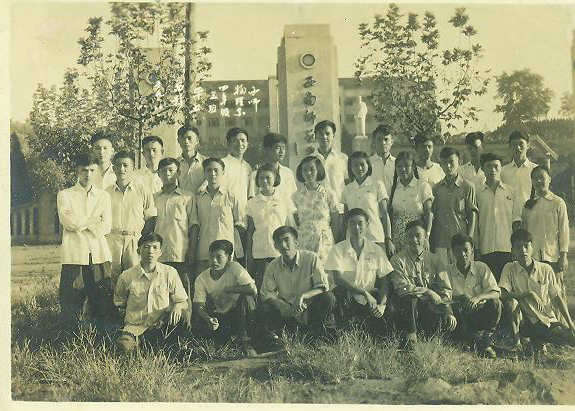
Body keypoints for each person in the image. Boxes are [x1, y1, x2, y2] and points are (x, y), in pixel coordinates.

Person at [57, 153, 113, 332]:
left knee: (101, 296)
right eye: (84, 170)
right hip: (75, 253)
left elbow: (106, 226)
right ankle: (71, 336)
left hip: (98, 253)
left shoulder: (103, 196)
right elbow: (68, 222)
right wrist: (93, 220)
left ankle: (100, 336)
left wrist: (83, 223)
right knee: (71, 297)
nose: (88, 174)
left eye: (91, 170)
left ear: (97, 171)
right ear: (77, 171)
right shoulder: (65, 195)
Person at [499, 229, 575, 354]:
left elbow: (557, 298)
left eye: (526, 246)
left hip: (546, 320)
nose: (523, 250)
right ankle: (517, 343)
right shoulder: (509, 268)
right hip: (525, 323)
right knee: (511, 303)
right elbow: (502, 294)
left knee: (570, 338)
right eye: (518, 247)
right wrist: (527, 294)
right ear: (512, 251)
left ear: (532, 248)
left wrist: (570, 325)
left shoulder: (545, 269)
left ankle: (539, 341)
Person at [259, 226, 336, 346]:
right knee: (264, 308)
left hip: (309, 308)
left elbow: (322, 286)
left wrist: (303, 296)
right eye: (279, 242)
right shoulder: (273, 266)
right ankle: (276, 340)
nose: (283, 245)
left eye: (286, 240)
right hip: (288, 312)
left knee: (328, 297)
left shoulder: (311, 258)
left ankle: (315, 335)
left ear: (296, 242)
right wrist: (280, 305)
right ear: (275, 246)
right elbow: (266, 293)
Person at [114, 233, 189, 353]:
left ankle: (172, 348)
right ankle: (141, 347)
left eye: (155, 247)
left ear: (160, 252)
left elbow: (183, 301)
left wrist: (178, 306)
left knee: (182, 314)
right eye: (146, 247)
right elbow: (119, 303)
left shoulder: (170, 273)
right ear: (138, 251)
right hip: (135, 329)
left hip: (161, 327)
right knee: (124, 347)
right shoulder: (126, 276)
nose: (150, 252)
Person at [324, 208, 394, 336]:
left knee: (386, 315)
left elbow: (384, 283)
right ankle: (339, 330)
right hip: (346, 297)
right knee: (334, 295)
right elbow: (338, 279)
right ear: (347, 225)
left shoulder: (376, 250)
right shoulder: (338, 249)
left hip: (369, 299)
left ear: (367, 225)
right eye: (352, 223)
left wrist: (382, 305)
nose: (356, 227)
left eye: (360, 223)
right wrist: (364, 293)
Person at [389, 221, 456, 350]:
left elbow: (445, 288)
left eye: (418, 235)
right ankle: (410, 338)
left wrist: (448, 311)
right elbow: (402, 288)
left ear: (425, 237)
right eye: (410, 236)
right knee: (409, 298)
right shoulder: (397, 260)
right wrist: (428, 291)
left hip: (429, 306)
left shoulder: (435, 260)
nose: (414, 240)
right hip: (407, 307)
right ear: (405, 238)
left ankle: (433, 337)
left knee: (445, 324)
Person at [192, 240, 257, 356]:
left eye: (219, 257)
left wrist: (228, 289)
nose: (214, 261)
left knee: (247, 299)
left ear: (229, 258)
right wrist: (208, 319)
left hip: (239, 313)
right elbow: (199, 306)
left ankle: (246, 341)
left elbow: (252, 289)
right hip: (220, 315)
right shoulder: (202, 278)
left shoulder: (234, 267)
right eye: (211, 256)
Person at [106, 150, 157, 287]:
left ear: (133, 168)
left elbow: (150, 217)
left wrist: (141, 240)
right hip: (113, 240)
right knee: (112, 280)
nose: (121, 169)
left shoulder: (142, 190)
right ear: (113, 168)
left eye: (125, 165)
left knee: (135, 280)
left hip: (134, 240)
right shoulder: (106, 193)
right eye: (118, 165)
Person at [446, 234, 502, 358]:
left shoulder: (481, 267)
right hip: (461, 314)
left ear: (472, 250)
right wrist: (461, 297)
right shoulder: (448, 271)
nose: (463, 254)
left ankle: (486, 342)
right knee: (454, 307)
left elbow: (496, 292)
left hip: (480, 313)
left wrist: (478, 297)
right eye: (458, 251)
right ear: (452, 252)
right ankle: (466, 341)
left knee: (496, 303)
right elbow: (445, 297)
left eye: (466, 250)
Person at [153, 157, 195, 314]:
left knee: (183, 293)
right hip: (159, 255)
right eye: (163, 171)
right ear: (158, 174)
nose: (167, 174)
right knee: (161, 293)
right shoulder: (154, 198)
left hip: (180, 254)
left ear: (178, 173)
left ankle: (186, 325)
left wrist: (192, 250)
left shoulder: (187, 197)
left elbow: (193, 225)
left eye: (171, 170)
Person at [191, 157, 244, 276]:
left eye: (216, 170)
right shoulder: (198, 198)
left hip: (225, 255)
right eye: (209, 170)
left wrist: (235, 253)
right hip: (204, 254)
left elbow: (240, 225)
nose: (213, 174)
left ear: (223, 172)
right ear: (204, 173)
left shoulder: (231, 196)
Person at [477, 153, 521, 281]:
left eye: (496, 166)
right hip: (486, 248)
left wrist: (515, 248)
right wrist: (477, 248)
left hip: (507, 248)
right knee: (489, 286)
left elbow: (516, 222)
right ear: (482, 168)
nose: (493, 170)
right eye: (489, 166)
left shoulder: (511, 192)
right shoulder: (477, 193)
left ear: (501, 168)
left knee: (507, 285)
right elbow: (476, 223)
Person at [431, 147, 478, 265]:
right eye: (444, 163)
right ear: (440, 165)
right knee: (442, 274)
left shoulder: (467, 187)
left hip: (461, 243)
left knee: (463, 272)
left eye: (451, 162)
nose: (448, 166)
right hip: (441, 242)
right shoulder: (436, 189)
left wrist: (469, 240)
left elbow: (472, 214)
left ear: (459, 162)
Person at [342, 151, 394, 256]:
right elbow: (345, 217)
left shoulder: (377, 185)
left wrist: (388, 238)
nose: (359, 168)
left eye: (362, 164)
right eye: (355, 165)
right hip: (353, 239)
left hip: (375, 236)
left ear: (368, 165)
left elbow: (384, 214)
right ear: (350, 168)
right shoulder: (347, 189)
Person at [292, 156, 340, 263]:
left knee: (324, 269)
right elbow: (295, 221)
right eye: (305, 170)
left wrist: (334, 241)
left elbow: (335, 221)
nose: (308, 173)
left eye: (312, 169)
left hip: (324, 240)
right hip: (303, 239)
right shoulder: (296, 196)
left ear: (318, 170)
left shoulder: (328, 194)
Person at [387, 151, 433, 252]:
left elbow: (429, 214)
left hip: (417, 236)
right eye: (399, 166)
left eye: (407, 165)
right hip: (397, 237)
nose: (403, 169)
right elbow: (389, 214)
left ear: (413, 167)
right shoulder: (393, 188)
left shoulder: (422, 186)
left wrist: (427, 237)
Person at [221, 127, 253, 265]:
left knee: (243, 264)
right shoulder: (223, 164)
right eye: (234, 141)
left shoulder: (248, 167)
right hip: (227, 221)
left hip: (244, 222)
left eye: (242, 140)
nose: (239, 144)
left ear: (247, 143)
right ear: (227, 143)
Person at [309, 120, 348, 212]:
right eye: (320, 134)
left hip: (339, 208)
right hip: (317, 209)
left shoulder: (342, 158)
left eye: (327, 134)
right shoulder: (310, 160)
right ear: (316, 136)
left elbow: (348, 183)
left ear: (333, 135)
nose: (324, 137)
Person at [248, 132, 297, 203]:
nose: (281, 151)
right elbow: (252, 201)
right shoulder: (256, 175)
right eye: (277, 148)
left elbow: (294, 198)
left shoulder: (288, 173)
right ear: (267, 150)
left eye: (283, 148)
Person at [501, 130, 537, 207]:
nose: (518, 147)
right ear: (510, 147)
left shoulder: (536, 169)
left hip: (530, 212)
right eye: (514, 144)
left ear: (528, 145)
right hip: (508, 212)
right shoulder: (503, 171)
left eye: (521, 143)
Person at [176, 125, 206, 194]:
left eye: (189, 138)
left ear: (197, 140)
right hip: (181, 199)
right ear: (178, 141)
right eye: (183, 138)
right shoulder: (175, 164)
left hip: (200, 199)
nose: (186, 141)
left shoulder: (205, 162)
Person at [370, 124, 396, 194]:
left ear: (392, 142)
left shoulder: (398, 164)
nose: (383, 143)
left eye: (386, 139)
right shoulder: (367, 163)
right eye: (379, 139)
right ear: (374, 142)